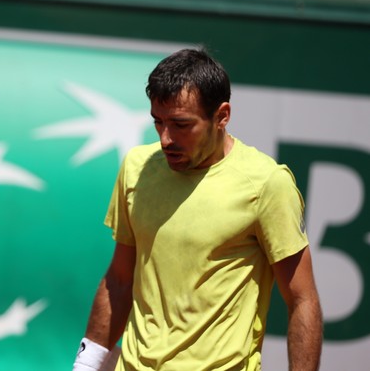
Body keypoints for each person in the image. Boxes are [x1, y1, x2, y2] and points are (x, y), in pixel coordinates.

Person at [72, 48, 322, 371]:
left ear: (222, 116)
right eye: (158, 122)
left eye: (180, 125)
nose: (165, 139)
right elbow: (119, 280)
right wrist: (87, 364)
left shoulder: (268, 185)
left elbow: (303, 300)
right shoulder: (137, 167)